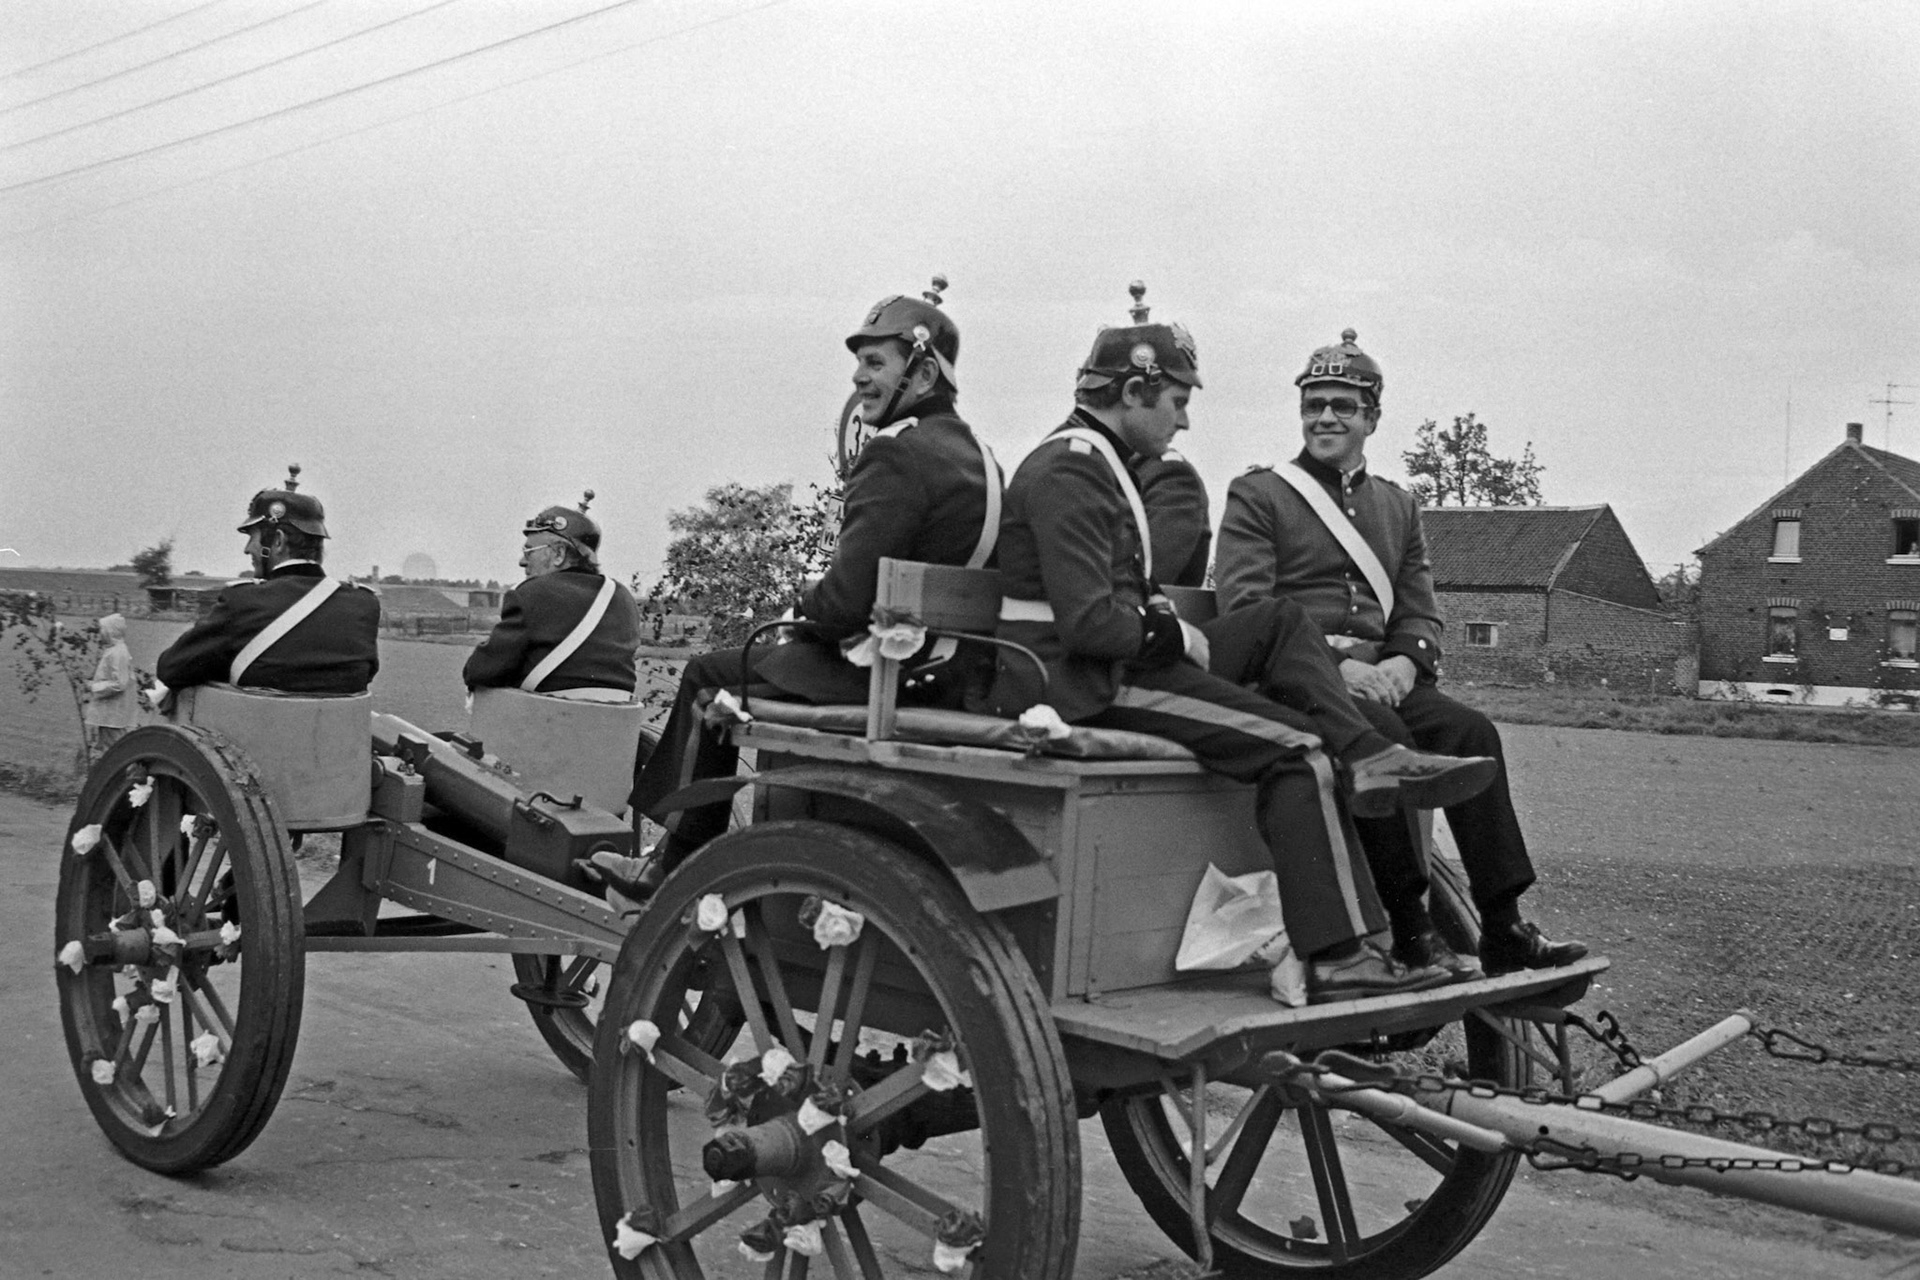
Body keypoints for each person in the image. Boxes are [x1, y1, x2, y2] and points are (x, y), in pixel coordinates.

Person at [985, 290, 1474, 1003]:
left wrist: (1159, 620)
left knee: (1274, 620)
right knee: (1298, 749)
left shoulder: (1099, 461)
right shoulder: (1071, 468)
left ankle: (1371, 758)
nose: (1184, 417)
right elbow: (1091, 623)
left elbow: (1118, 590)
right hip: (1078, 682)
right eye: (1177, 399)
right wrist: (1172, 632)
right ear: (1134, 391)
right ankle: (1336, 954)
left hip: (1106, 660)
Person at [1215, 330, 1587, 976]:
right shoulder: (1261, 495)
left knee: (1471, 730)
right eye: (1314, 404)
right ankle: (1413, 932)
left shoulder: (1397, 504)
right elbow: (1247, 607)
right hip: (1302, 684)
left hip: (1385, 678)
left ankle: (1502, 926)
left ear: (1372, 418)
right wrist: (1341, 668)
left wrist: (1402, 663)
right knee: (1380, 731)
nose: (1325, 417)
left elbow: (1418, 606)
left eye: (1343, 406)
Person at [623, 279, 1001, 886]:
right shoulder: (982, 457)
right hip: (953, 672)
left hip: (883, 678)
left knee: (706, 676)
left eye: (876, 363)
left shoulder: (894, 454)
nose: (858, 378)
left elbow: (844, 605)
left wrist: (804, 604)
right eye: (858, 363)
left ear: (924, 375)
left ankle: (672, 868)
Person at [156, 466, 380, 696]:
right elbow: (364, 675)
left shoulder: (244, 601)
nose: (247, 549)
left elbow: (171, 668)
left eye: (253, 536)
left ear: (278, 541)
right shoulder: (363, 604)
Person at [463, 492, 640, 701]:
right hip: (616, 724)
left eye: (529, 551)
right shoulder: (623, 596)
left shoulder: (530, 593)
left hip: (546, 724)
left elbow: (480, 671)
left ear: (559, 554)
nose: (522, 561)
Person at [84, 612, 137, 752]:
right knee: (110, 749)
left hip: (113, 715)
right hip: (110, 715)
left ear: (111, 631)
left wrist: (93, 687)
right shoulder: (113, 650)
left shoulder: (117, 653)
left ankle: (125, 773)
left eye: (103, 629)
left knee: (116, 751)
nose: (100, 633)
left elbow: (119, 683)